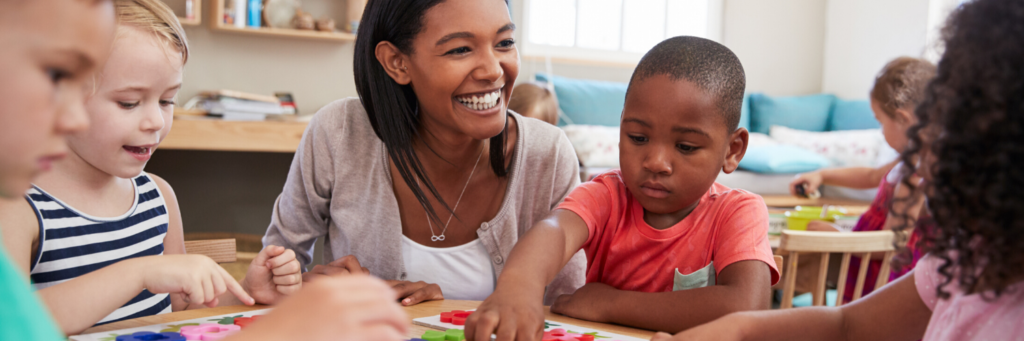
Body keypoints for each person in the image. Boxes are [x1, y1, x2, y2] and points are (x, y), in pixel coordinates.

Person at [0, 1, 407, 341]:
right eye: (128, 103)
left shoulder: (157, 197)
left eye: (167, 101)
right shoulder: (19, 205)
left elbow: (182, 312)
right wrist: (140, 271)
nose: (155, 122)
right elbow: (17, 323)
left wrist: (248, 292)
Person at [657, 0, 1024, 339]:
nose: (931, 137)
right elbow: (846, 323)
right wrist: (738, 328)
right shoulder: (966, 260)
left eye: (952, 116)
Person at [262, 0, 585, 305]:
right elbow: (270, 276)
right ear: (397, 62)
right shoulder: (339, 132)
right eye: (460, 49)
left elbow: (568, 307)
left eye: (504, 42)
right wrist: (307, 288)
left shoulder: (549, 156)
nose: (493, 70)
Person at [466, 36, 779, 339]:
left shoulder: (737, 212)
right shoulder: (607, 195)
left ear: (733, 150)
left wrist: (611, 304)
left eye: (685, 146)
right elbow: (556, 232)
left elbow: (746, 306)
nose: (656, 162)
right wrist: (519, 285)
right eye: (638, 138)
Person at [788, 57, 936, 303]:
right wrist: (822, 174)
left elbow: (888, 245)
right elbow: (871, 176)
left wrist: (838, 235)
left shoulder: (916, 179)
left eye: (880, 122)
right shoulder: (910, 161)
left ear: (902, 119)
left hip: (881, 277)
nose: (880, 130)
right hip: (866, 262)